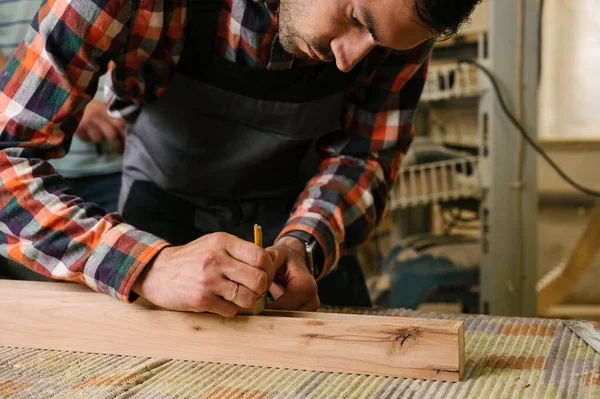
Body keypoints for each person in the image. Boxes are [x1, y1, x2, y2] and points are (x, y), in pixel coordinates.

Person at [0, 0, 481, 316]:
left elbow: (365, 156)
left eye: (377, 42)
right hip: (159, 214)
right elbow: (6, 160)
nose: (350, 58)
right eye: (355, 19)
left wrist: (303, 246)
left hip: (297, 242)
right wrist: (146, 265)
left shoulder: (399, 17)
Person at [0, 1, 125, 280]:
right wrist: (64, 98)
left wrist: (130, 98)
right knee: (41, 302)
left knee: (118, 288)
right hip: (26, 173)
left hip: (119, 164)